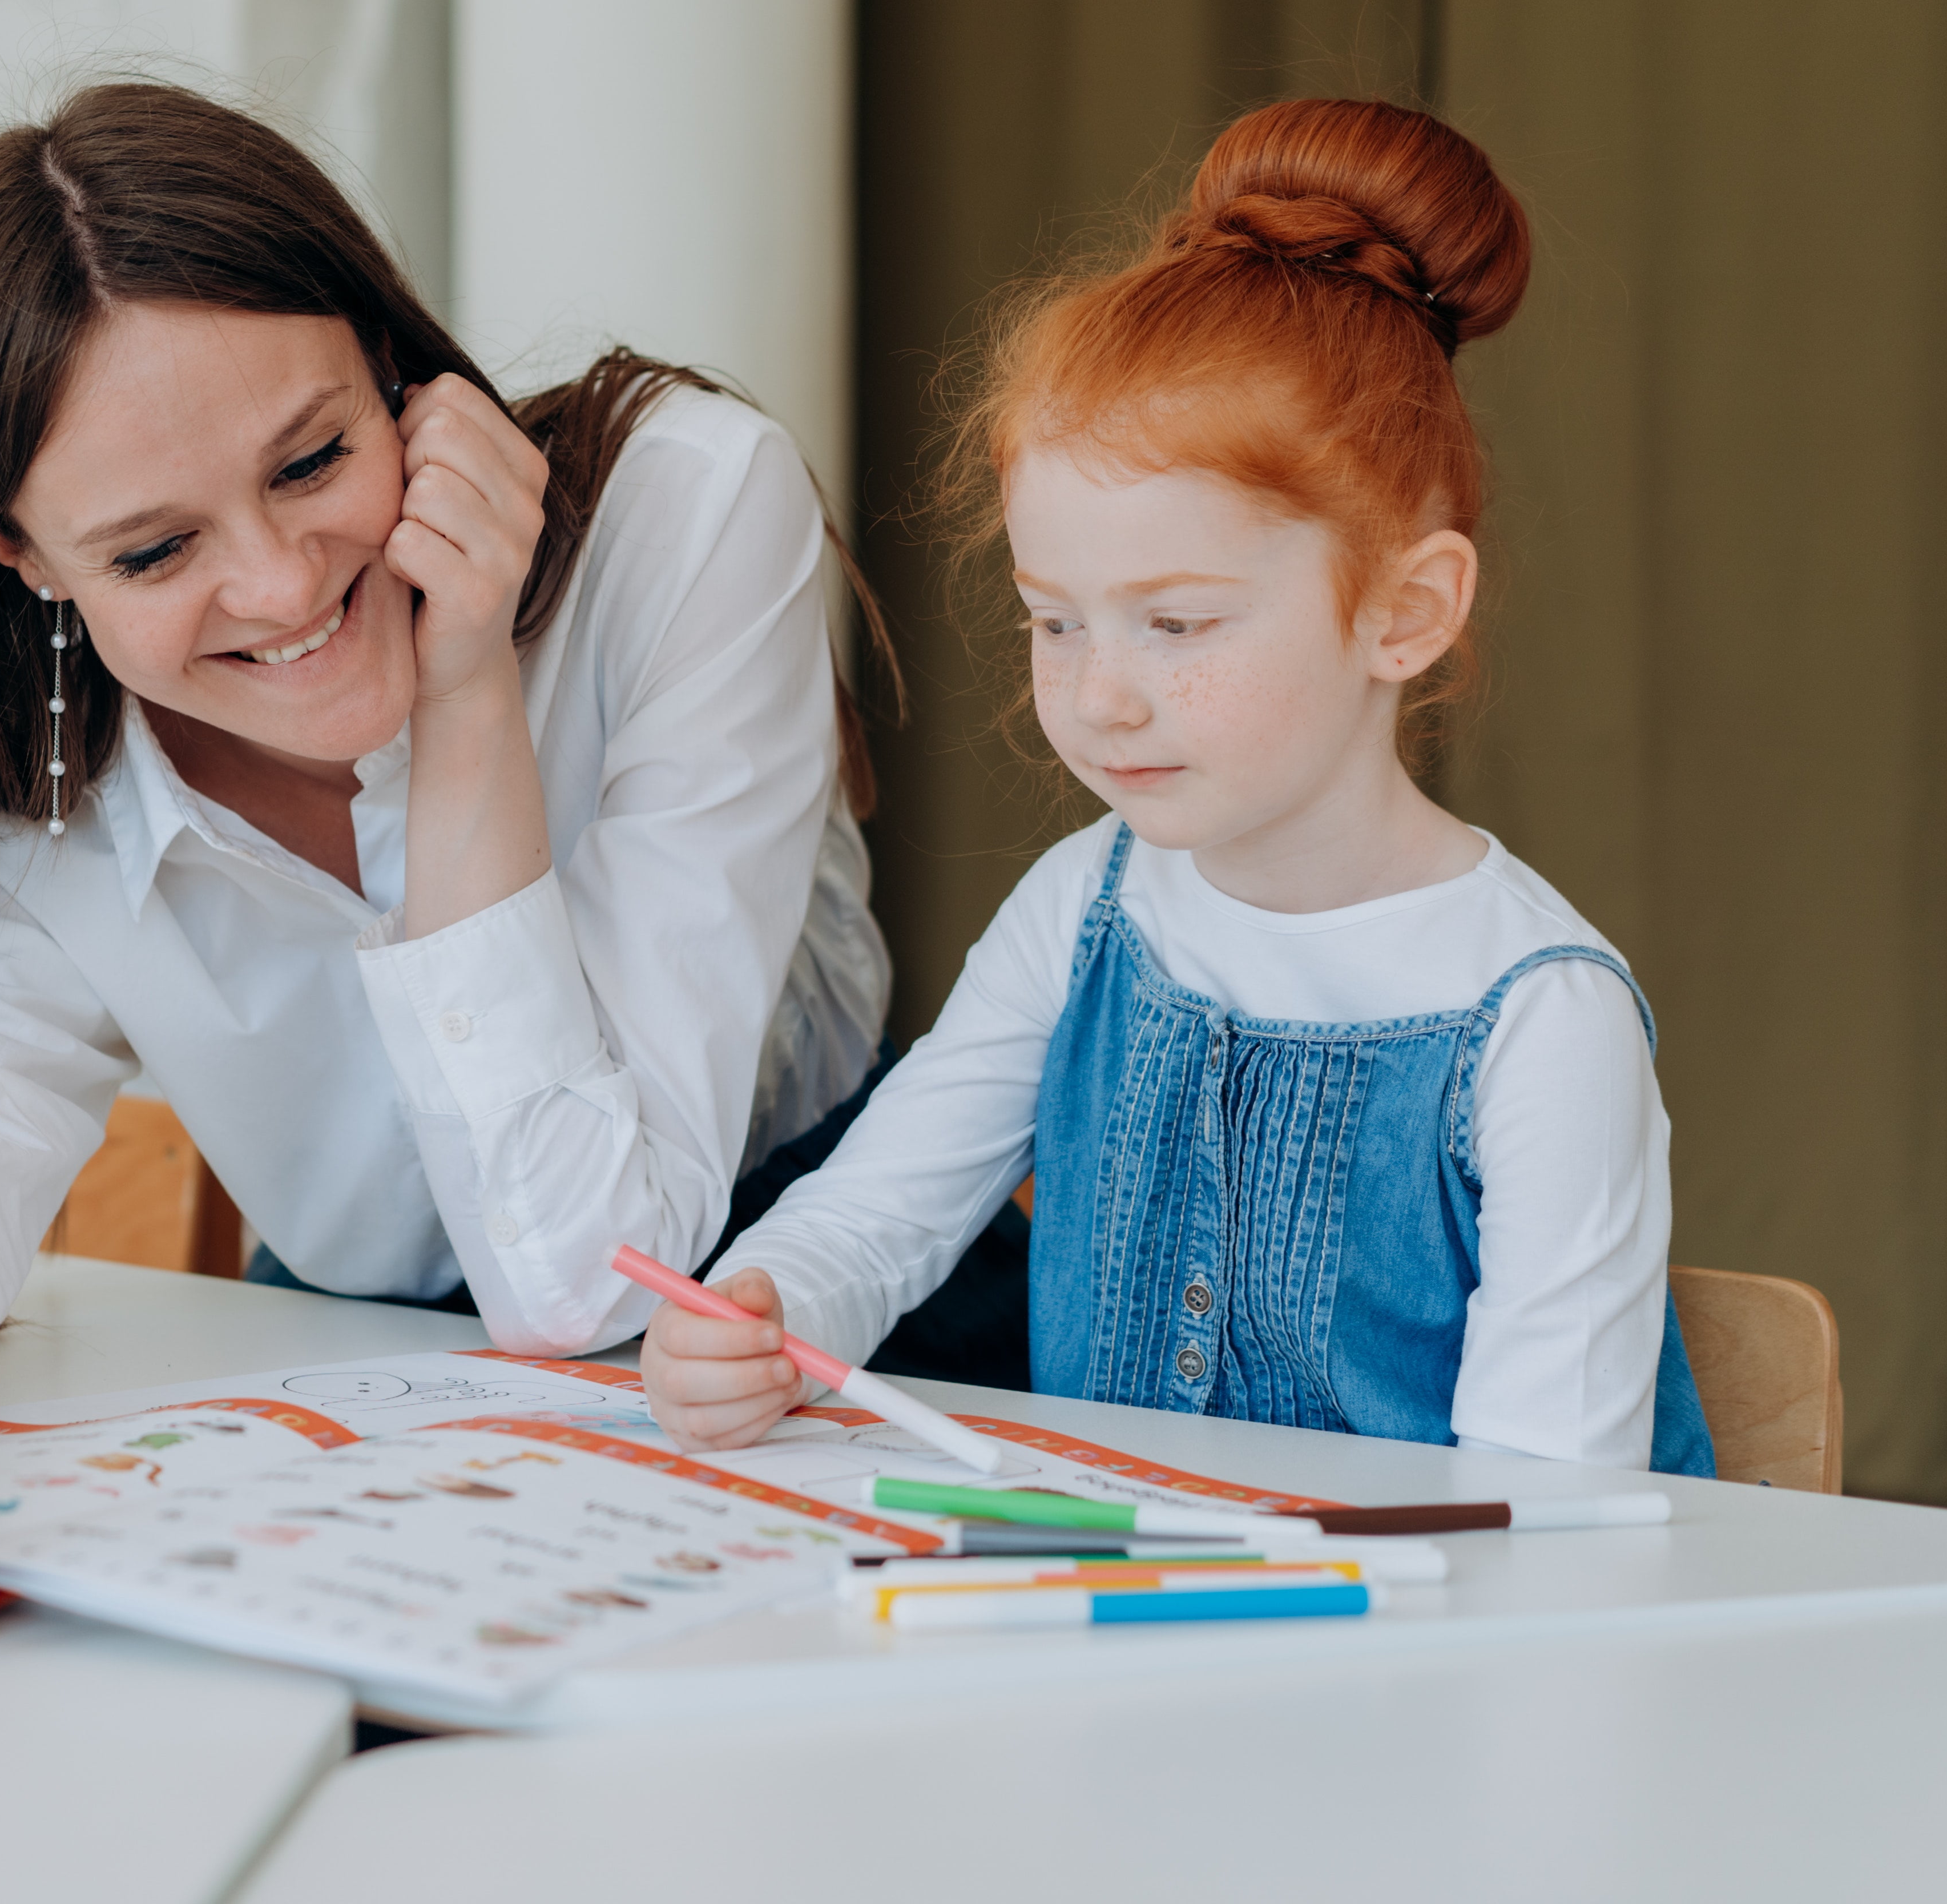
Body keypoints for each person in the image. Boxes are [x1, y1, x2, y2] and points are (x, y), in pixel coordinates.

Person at [0, 82, 893, 1635]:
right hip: (371, 1424)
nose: (276, 583)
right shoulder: (47, 803)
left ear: (391, 363)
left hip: (812, 1341)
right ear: (22, 559)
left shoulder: (683, 510)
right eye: (151, 552)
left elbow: (591, 1285)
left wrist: (464, 701)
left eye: (314, 460)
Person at [643, 97, 1716, 1479]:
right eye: (1055, 618)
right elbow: (876, 1218)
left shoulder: (1543, 1019)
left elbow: (1535, 1511)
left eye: (1180, 624)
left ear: (1405, 609)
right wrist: (761, 1311)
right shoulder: (1082, 907)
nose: (1100, 695)